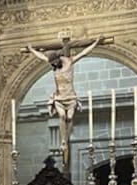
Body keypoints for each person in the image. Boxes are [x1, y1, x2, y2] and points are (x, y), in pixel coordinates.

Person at [25, 37, 101, 169]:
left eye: (54, 63)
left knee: (70, 117)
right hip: (59, 97)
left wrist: (96, 43)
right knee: (62, 116)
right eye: (52, 64)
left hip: (70, 97)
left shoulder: (69, 62)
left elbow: (84, 52)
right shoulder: (53, 65)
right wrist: (31, 49)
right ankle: (63, 141)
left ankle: (66, 138)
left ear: (59, 59)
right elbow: (41, 56)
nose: (53, 66)